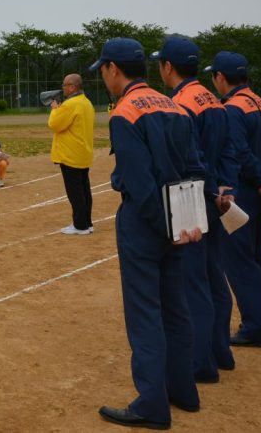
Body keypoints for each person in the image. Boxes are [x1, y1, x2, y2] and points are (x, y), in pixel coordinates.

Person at [91, 38, 206, 429]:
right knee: (175, 308)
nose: (103, 76)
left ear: (112, 69)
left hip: (145, 223)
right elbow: (195, 167)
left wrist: (164, 226)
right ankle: (183, 391)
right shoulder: (174, 105)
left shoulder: (124, 112)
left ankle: (153, 405)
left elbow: (139, 184)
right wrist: (186, 221)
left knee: (145, 315)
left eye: (103, 70)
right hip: (177, 215)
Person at [153, 36, 238, 381]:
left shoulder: (181, 103)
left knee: (192, 285)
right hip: (217, 198)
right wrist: (225, 188)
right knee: (214, 279)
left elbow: (184, 159)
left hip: (192, 200)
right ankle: (220, 351)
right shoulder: (212, 99)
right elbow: (228, 149)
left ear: (168, 67)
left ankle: (200, 361)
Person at [207, 51, 261, 348]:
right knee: (257, 257)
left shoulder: (232, 108)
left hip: (244, 194)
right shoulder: (259, 102)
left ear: (220, 77)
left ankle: (255, 327)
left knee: (240, 263)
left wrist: (257, 180)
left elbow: (239, 152)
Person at [49, 73, 96, 235]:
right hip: (83, 152)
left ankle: (80, 225)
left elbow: (55, 124)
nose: (63, 89)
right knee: (84, 190)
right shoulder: (87, 102)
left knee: (75, 192)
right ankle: (87, 222)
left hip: (70, 154)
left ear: (72, 86)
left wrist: (55, 109)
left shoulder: (71, 104)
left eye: (65, 85)